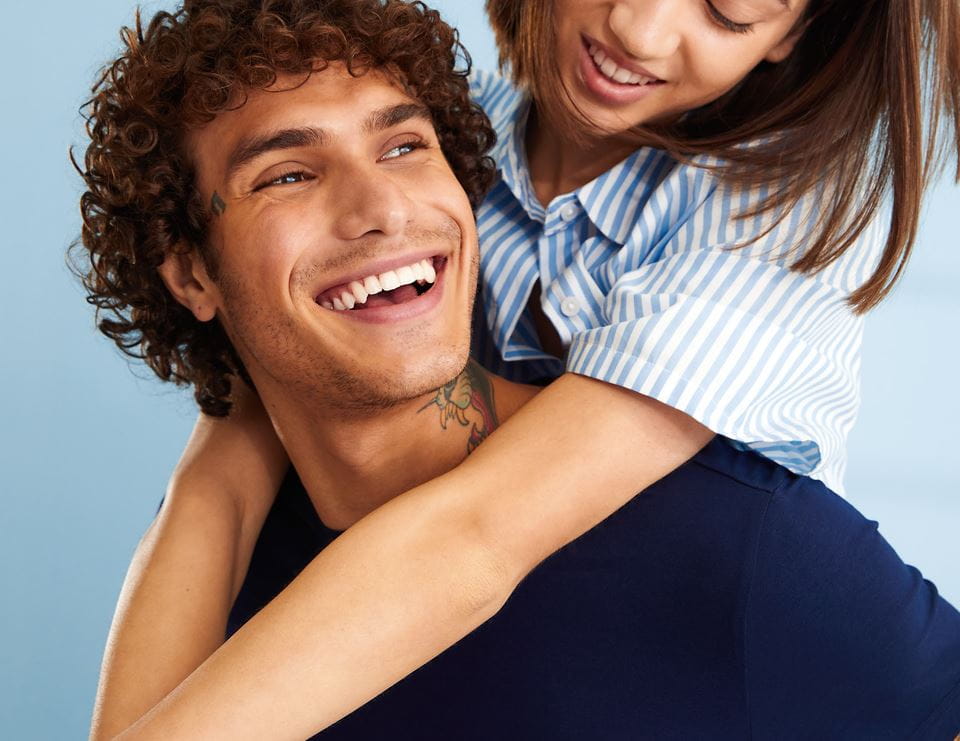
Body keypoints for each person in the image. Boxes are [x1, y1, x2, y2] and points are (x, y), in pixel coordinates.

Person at [73, 0, 960, 737]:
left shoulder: (766, 242)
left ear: (792, 36)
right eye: (291, 176)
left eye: (728, 11)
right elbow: (222, 463)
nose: (640, 30)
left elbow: (477, 537)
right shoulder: (471, 134)